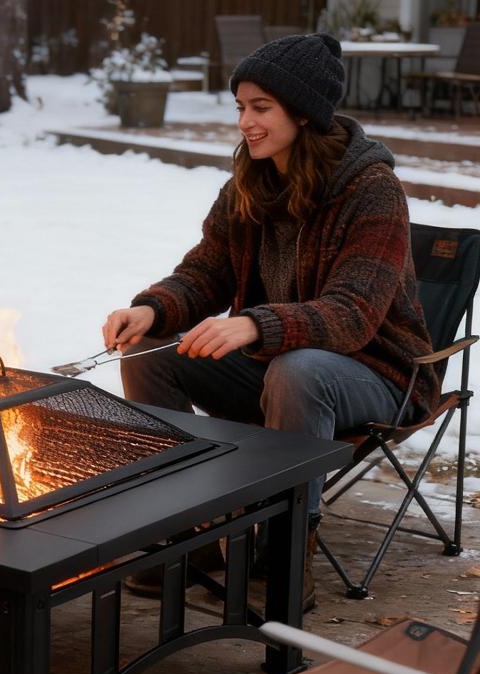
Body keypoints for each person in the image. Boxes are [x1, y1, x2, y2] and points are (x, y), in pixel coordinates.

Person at [101, 32, 437, 611]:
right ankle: (190, 532)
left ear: (303, 114)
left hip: (376, 375)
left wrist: (257, 324)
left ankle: (284, 554)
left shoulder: (372, 191)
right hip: (276, 366)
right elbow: (204, 272)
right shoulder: (248, 187)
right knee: (152, 348)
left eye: (262, 109)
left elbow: (353, 314)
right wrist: (152, 308)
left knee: (299, 369)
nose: (246, 123)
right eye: (241, 107)